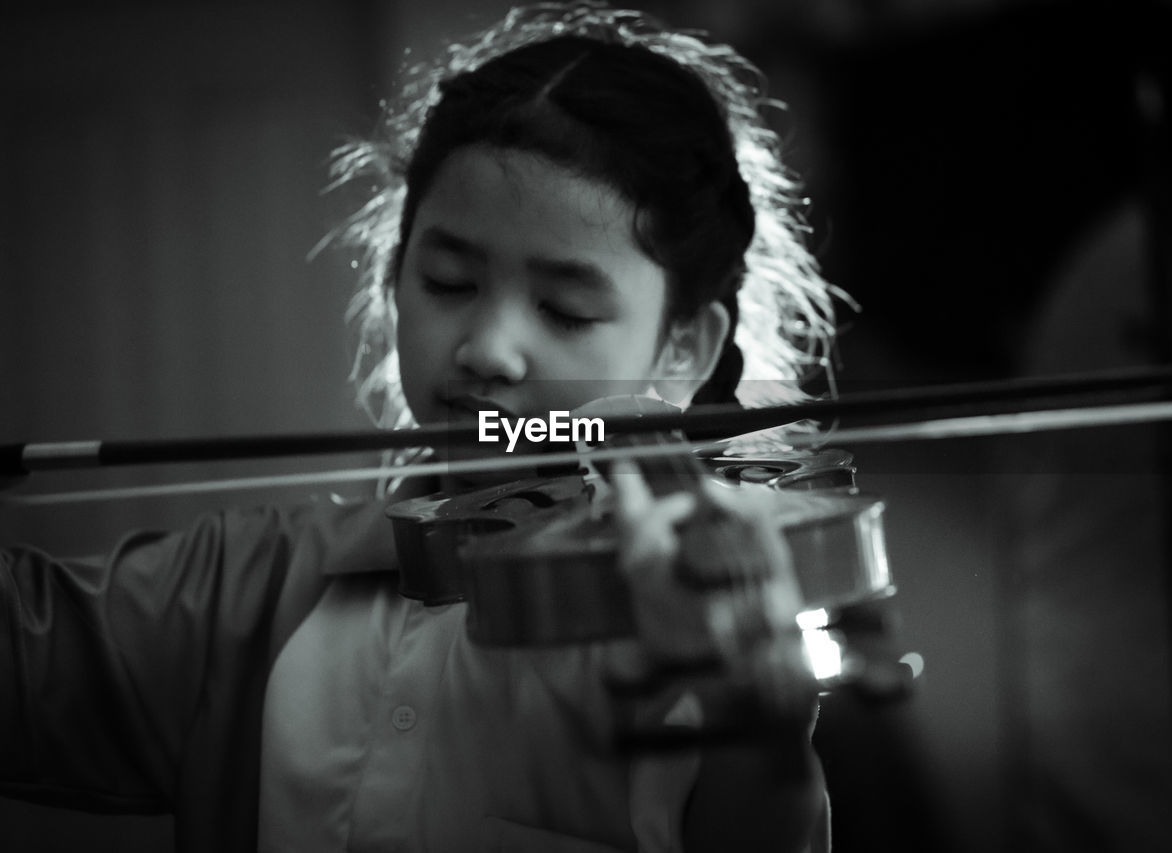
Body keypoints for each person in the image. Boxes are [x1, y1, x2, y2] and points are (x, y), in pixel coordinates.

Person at [1, 3, 843, 851]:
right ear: (392, 279)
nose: (486, 349)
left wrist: (757, 729)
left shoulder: (697, 627)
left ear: (683, 346)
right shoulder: (250, 593)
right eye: (447, 281)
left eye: (563, 307)